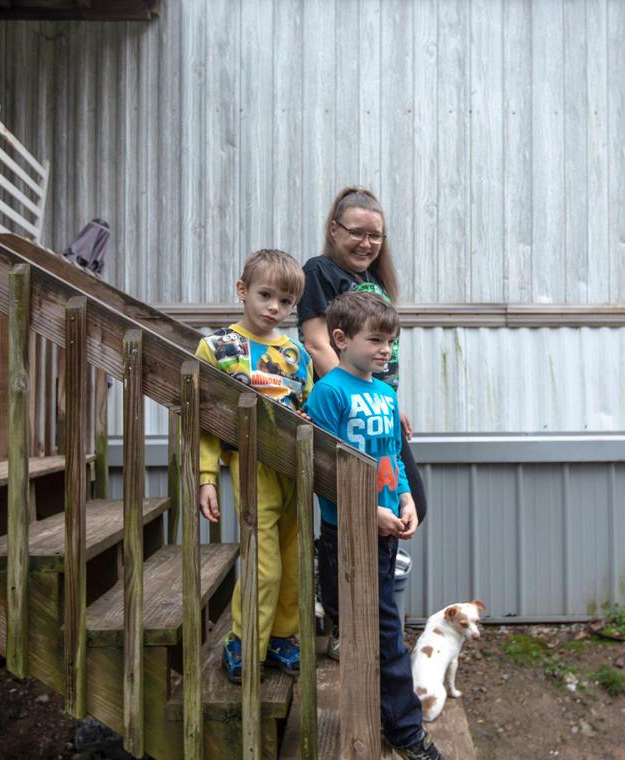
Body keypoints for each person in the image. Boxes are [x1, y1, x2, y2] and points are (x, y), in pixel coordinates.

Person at [303, 291, 443, 760]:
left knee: (381, 634)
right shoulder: (328, 393)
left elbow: (389, 459)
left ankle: (384, 722)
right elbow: (323, 472)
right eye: (377, 340)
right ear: (340, 339)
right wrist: (366, 511)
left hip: (383, 534)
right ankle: (406, 734)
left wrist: (403, 496)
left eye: (391, 342)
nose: (386, 350)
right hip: (347, 537)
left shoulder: (384, 394)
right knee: (381, 638)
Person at [197, 249, 313, 684]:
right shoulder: (219, 349)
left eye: (285, 302)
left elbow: (308, 407)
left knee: (294, 560)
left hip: (296, 473)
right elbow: (202, 419)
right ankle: (245, 642)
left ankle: (282, 637)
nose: (274, 308)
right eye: (265, 295)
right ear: (242, 291)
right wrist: (206, 476)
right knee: (264, 566)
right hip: (253, 470)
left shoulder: (297, 354)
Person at [297, 187, 428, 528]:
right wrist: (361, 394)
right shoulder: (318, 271)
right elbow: (316, 343)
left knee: (405, 499)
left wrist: (390, 401)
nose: (366, 243)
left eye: (375, 236)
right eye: (356, 232)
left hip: (379, 405)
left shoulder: (373, 279)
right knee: (357, 500)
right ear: (334, 229)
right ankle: (335, 561)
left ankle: (382, 567)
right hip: (346, 409)